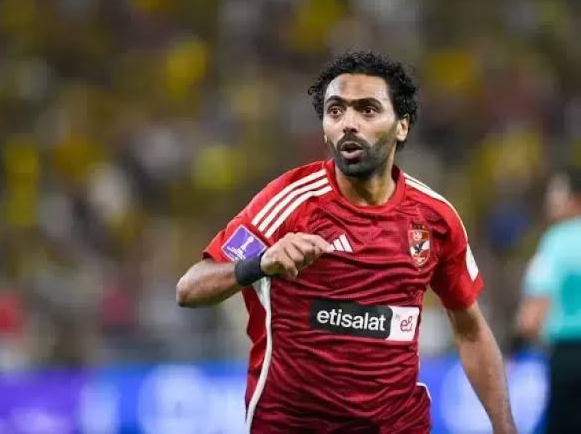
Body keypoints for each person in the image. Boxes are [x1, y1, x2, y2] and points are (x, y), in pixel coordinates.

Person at [177, 51, 515, 433]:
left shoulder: (435, 218)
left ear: (402, 126)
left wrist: (506, 428)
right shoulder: (290, 203)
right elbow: (189, 288)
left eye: (367, 110)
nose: (348, 124)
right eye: (335, 111)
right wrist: (260, 263)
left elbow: (471, 330)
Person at [515, 165, 581, 432]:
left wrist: (516, 344)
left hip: (568, 357)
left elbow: (532, 316)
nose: (551, 199)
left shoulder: (557, 240)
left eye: (558, 192)